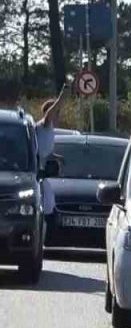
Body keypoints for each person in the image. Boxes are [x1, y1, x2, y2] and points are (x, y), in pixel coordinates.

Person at [33, 87, 67, 234]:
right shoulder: (44, 124)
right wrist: (61, 97)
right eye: (56, 112)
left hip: (41, 170)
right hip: (35, 170)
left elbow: (46, 151)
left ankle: (45, 228)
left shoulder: (50, 128)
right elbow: (50, 113)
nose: (57, 115)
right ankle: (45, 229)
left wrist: (58, 158)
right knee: (46, 202)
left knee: (48, 201)